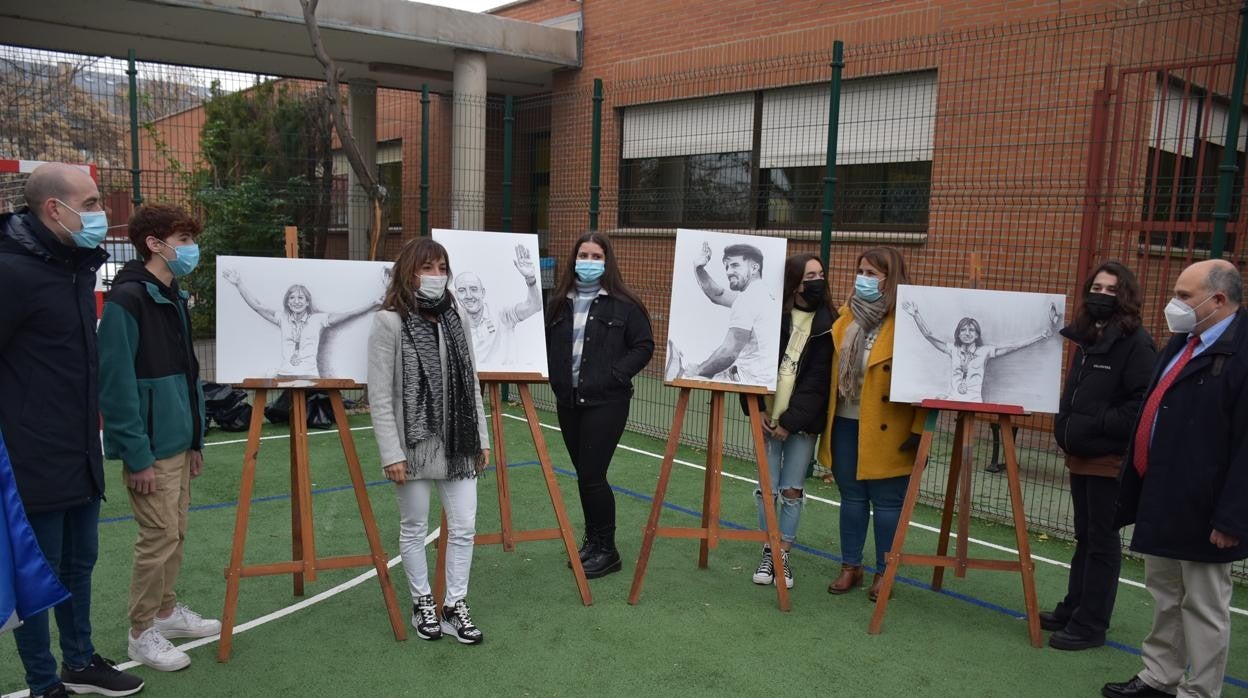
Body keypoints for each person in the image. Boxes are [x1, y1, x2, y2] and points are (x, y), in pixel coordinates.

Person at [0, 163, 145, 697]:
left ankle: (79, 662)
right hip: (30, 459)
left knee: (79, 563)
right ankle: (43, 682)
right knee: (39, 577)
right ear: (53, 210)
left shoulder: (75, 267)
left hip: (81, 450)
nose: (99, 213)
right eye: (89, 204)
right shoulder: (11, 272)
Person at [1102, 259, 1247, 698]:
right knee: (1165, 594)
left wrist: (1232, 518)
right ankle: (1159, 676)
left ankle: (1200, 691)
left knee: (1203, 606)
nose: (1174, 304)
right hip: (1162, 494)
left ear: (1218, 300)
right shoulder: (1185, 341)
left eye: (1184, 296)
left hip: (1206, 506)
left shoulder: (1241, 354)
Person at [97, 204, 222, 672]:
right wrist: (137, 454)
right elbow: (116, 385)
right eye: (184, 238)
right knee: (158, 536)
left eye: (191, 238)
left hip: (177, 441)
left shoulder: (172, 295)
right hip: (149, 447)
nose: (191, 248)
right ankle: (140, 632)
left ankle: (166, 612)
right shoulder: (128, 300)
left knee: (176, 532)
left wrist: (194, 440)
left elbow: (187, 373)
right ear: (155, 244)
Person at [367, 237, 491, 645]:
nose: (436, 276)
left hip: (459, 442)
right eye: (427, 268)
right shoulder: (389, 321)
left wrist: (482, 438)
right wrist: (391, 452)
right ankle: (423, 601)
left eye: (442, 268)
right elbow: (380, 395)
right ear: (408, 271)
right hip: (414, 446)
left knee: (465, 526)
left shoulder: (457, 318)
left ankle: (455, 604)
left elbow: (471, 382)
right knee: (415, 524)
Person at [1041, 262, 1156, 652]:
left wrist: (1096, 423)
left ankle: (1091, 624)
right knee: (1085, 536)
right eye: (1097, 287)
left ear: (1125, 296)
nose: (1101, 294)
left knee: (1102, 542)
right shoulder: (1090, 336)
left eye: (1111, 289)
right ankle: (1074, 607)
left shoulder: (1136, 342)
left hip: (1109, 457)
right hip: (1082, 453)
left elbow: (1142, 404)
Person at [817, 247, 926, 602]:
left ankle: (885, 570)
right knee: (851, 498)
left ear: (890, 279)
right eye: (860, 271)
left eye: (872, 273)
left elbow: (926, 380)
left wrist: (918, 430)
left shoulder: (909, 321)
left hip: (892, 428)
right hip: (847, 421)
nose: (862, 279)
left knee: (887, 503)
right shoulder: (847, 317)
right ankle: (851, 566)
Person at [545, 231, 654, 579]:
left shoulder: (624, 303)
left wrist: (615, 374)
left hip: (606, 402)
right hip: (569, 400)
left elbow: (643, 346)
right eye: (583, 255)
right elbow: (544, 342)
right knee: (585, 475)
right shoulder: (559, 302)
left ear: (607, 262)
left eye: (596, 256)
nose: (588, 262)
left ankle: (608, 550)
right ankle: (592, 542)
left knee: (593, 476)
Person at [743, 253, 834, 590]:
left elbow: (818, 383)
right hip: (767, 418)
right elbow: (749, 362)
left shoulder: (828, 324)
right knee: (765, 489)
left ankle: (783, 553)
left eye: (821, 274)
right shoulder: (770, 318)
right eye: (810, 274)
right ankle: (768, 548)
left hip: (803, 424)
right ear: (794, 282)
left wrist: (791, 421)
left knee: (791, 490)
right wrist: (759, 411)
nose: (817, 280)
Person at [222, 268, 383, 378]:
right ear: (287, 301)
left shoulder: (318, 319)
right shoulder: (282, 318)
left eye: (300, 298)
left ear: (307, 302)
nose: (296, 301)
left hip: (310, 376)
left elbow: (349, 314)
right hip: (284, 375)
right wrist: (239, 284)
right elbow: (257, 307)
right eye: (292, 297)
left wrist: (373, 303)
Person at [900, 299, 1061, 402]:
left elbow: (1015, 346)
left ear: (977, 334)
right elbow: (929, 335)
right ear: (958, 333)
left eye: (971, 330)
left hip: (974, 401)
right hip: (952, 398)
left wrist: (1041, 336)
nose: (967, 333)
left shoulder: (985, 352)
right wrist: (916, 315)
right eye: (963, 330)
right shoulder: (952, 349)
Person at [668, 241, 776, 385]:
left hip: (753, 380)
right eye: (727, 266)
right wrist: (698, 268)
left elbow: (729, 352)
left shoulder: (748, 300)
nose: (729, 272)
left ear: (754, 267)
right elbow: (717, 295)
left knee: (687, 374)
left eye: (735, 265)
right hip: (762, 376)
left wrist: (698, 371)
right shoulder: (760, 293)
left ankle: (682, 372)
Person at [454, 243, 543, 367]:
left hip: (504, 374)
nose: (469, 295)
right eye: (462, 290)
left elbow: (534, 306)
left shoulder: (502, 314)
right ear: (456, 295)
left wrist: (531, 279)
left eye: (474, 289)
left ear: (483, 292)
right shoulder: (453, 321)